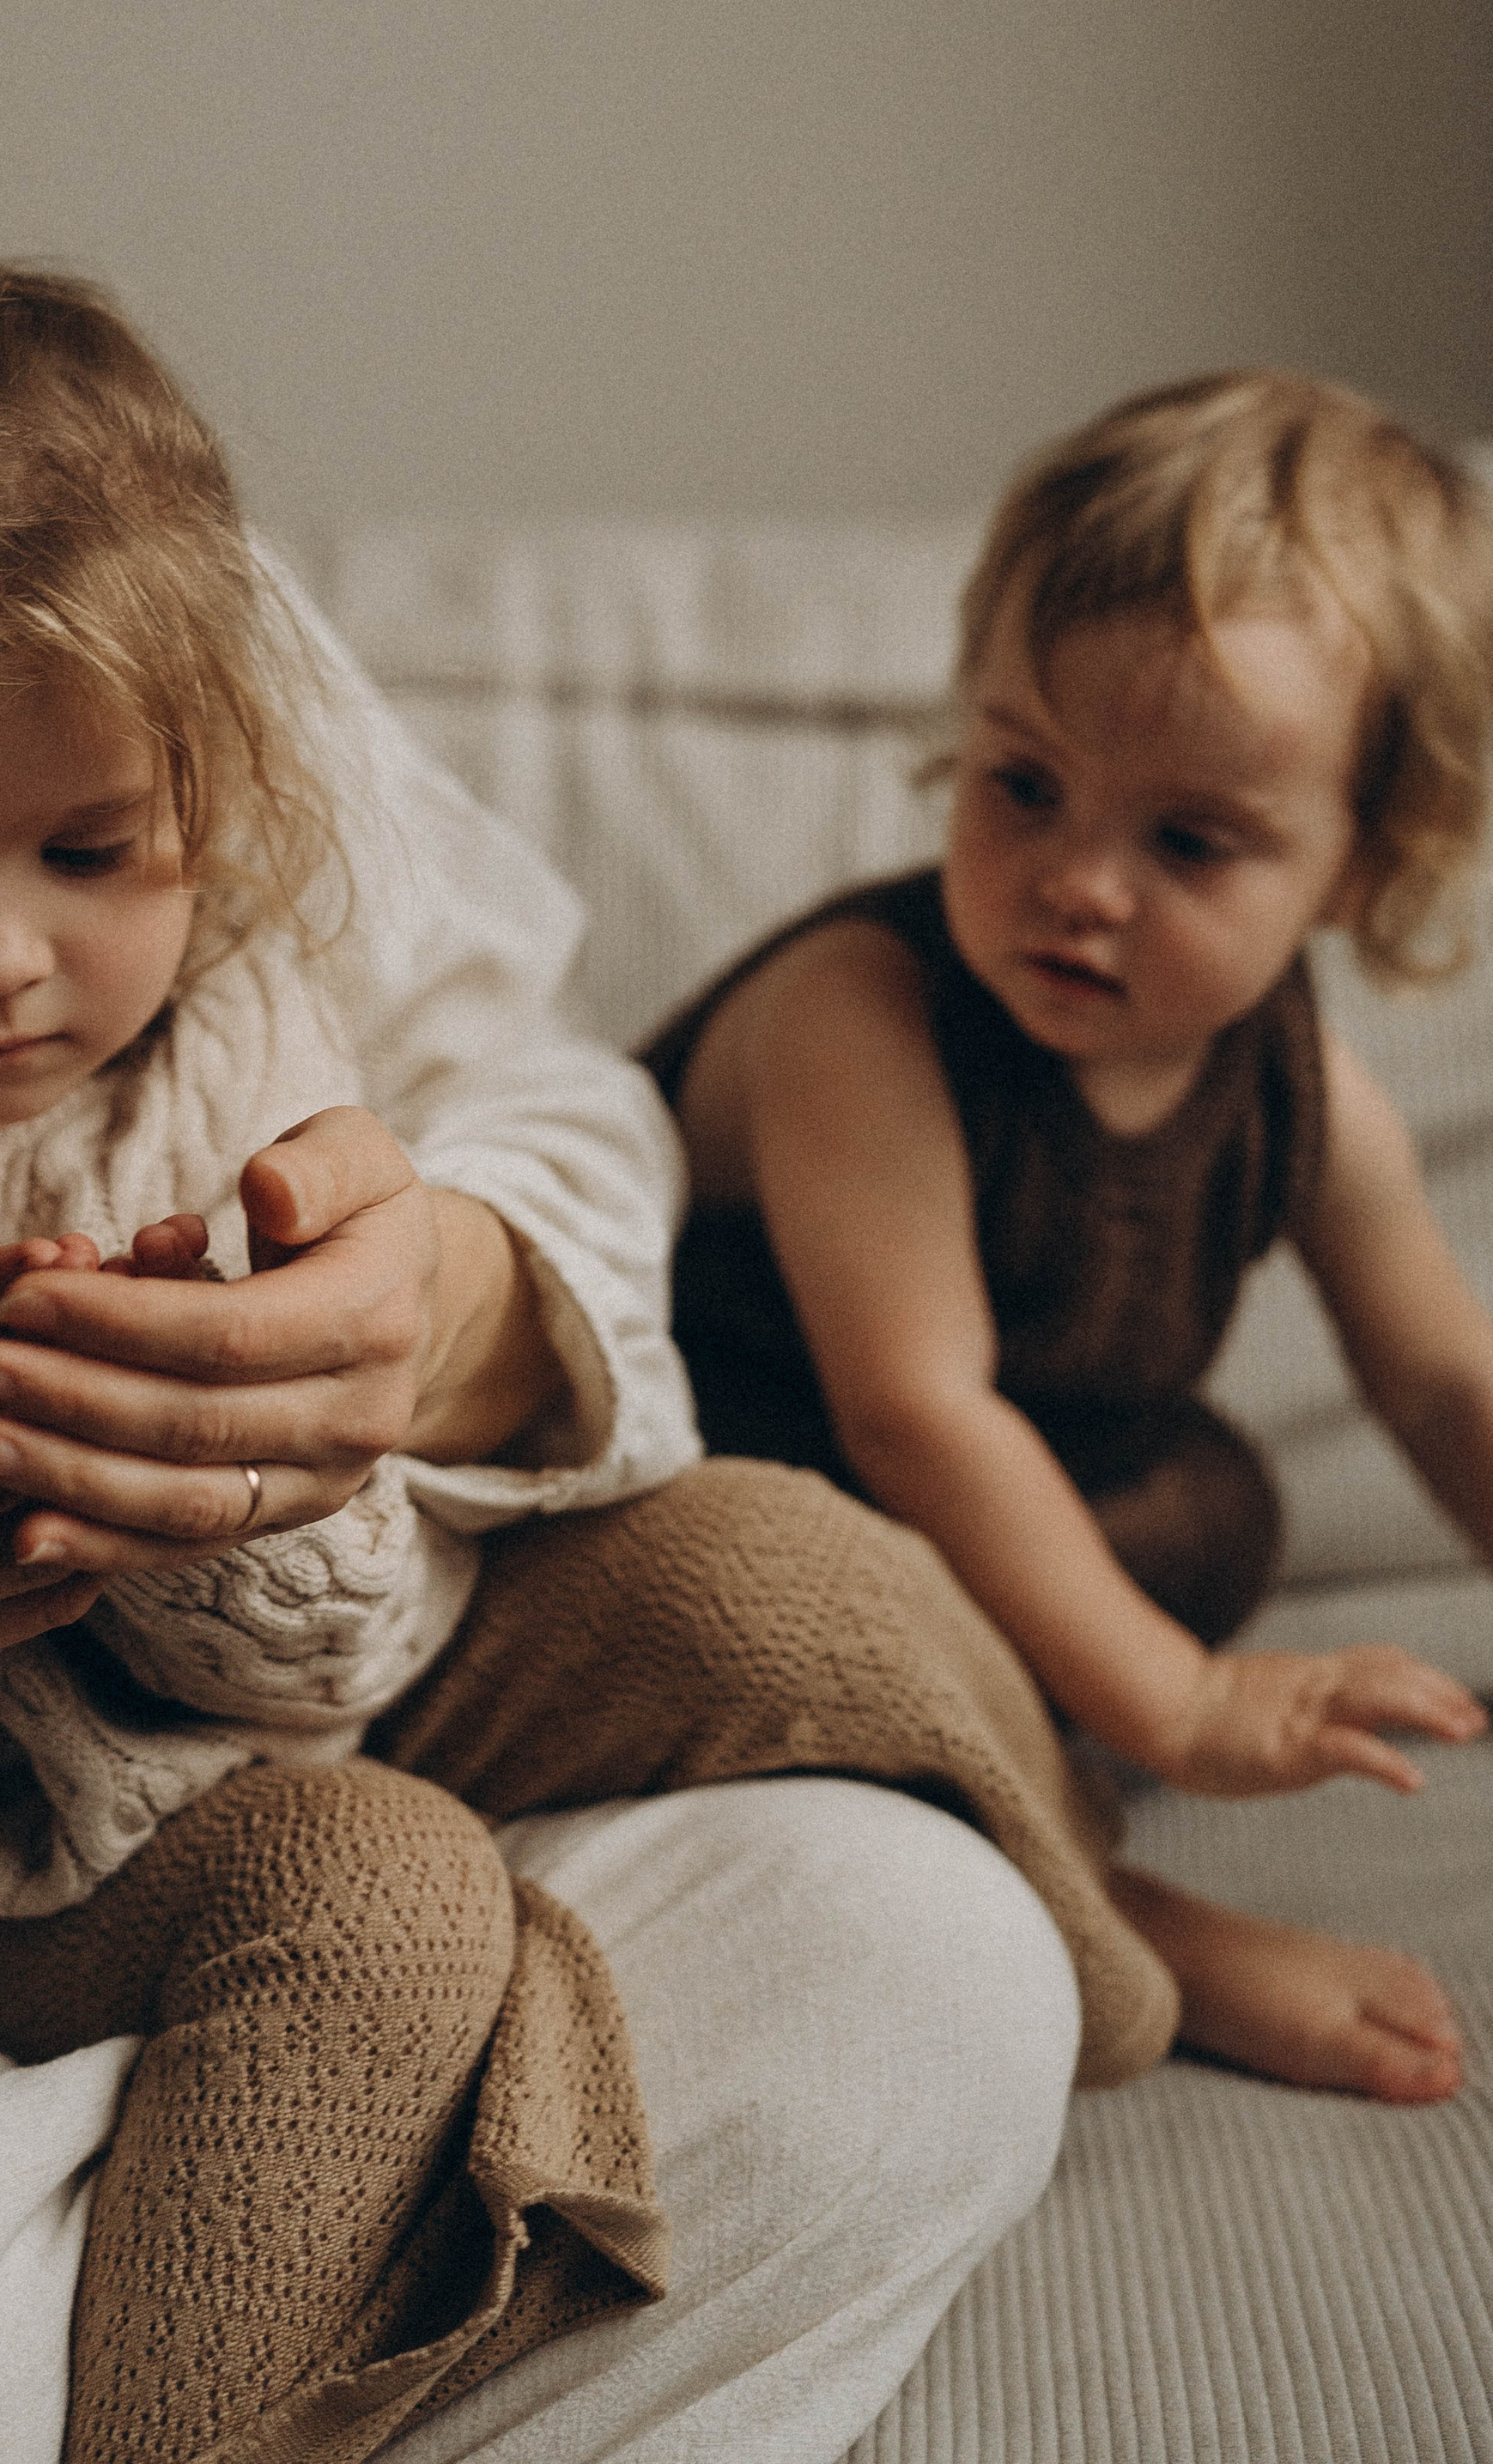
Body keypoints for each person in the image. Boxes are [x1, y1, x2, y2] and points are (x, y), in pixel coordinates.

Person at [0, 0, 1088, 2464]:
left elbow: (509, 1082)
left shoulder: (9, 541)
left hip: (267, 1746)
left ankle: (217, 2270)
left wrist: (433, 1314)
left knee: (921, 1985)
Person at [652, 370, 1493, 2109]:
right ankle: (1123, 1913)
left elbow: (1436, 1380)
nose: (1073, 880)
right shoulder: (856, 1020)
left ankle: (1036, 1753)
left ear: (1354, 868)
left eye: (1185, 840)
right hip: (727, 1538)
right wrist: (1179, 1709)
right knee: (786, 1610)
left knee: (1204, 1499)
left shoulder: (1305, 1097)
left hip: (984, 1524)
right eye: (1019, 782)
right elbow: (914, 1414)